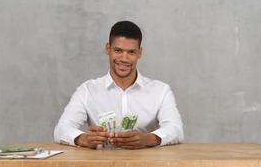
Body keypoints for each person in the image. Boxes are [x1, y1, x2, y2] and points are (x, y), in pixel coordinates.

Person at [54, 21, 184, 149]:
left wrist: (147, 139)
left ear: (139, 53)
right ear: (108, 49)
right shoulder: (87, 90)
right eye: (118, 50)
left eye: (131, 52)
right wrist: (83, 139)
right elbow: (61, 128)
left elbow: (176, 128)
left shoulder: (161, 90)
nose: (124, 58)